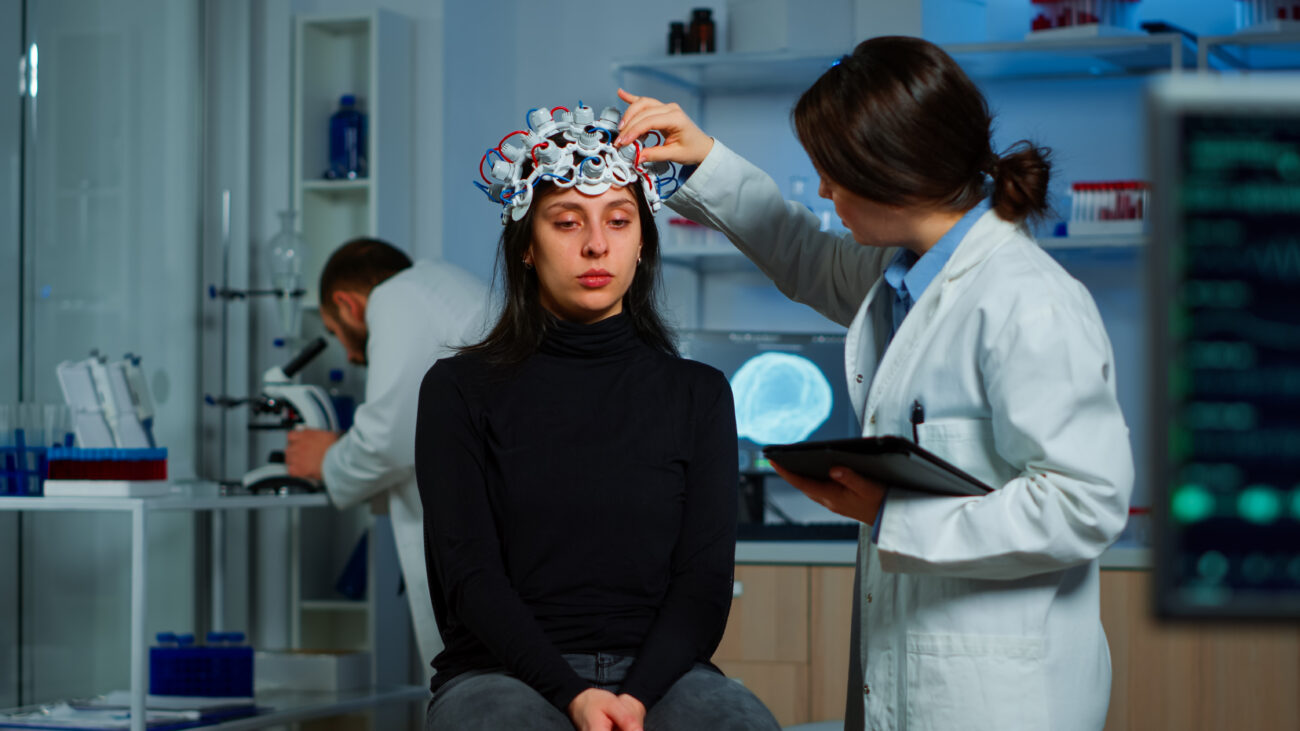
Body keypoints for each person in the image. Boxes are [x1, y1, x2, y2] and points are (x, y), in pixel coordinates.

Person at [615, 35, 1133, 731]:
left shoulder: (1025, 301)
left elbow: (1087, 503)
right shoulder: (902, 277)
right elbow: (799, 252)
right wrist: (704, 158)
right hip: (908, 674)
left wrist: (895, 514)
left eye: (832, 173)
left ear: (893, 172)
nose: (824, 192)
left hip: (999, 698)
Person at [414, 103, 781, 731]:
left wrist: (633, 698)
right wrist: (573, 696)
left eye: (618, 220)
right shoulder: (458, 390)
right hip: (503, 671)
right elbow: (470, 578)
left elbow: (703, 586)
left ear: (643, 243)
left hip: (663, 676)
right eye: (566, 222)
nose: (595, 244)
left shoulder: (699, 394)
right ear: (527, 246)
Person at [285, 237, 490, 671]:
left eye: (335, 331)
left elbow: (387, 441)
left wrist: (325, 458)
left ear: (347, 304)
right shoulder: (442, 286)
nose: (348, 352)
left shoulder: (396, 297)